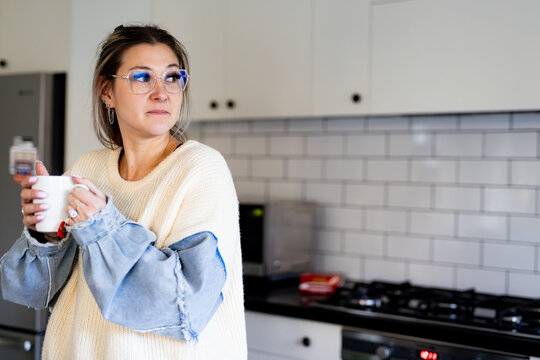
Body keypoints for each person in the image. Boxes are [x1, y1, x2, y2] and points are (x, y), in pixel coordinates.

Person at [0, 24, 247, 360]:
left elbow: (183, 306)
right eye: (142, 77)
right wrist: (46, 234)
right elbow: (31, 289)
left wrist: (102, 227)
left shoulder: (201, 168)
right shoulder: (87, 168)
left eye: (173, 77)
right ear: (107, 91)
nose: (162, 92)